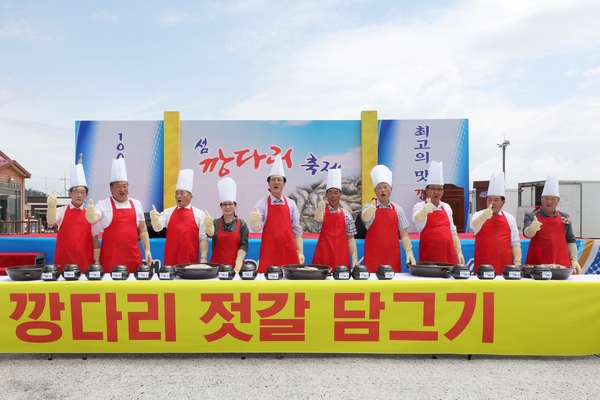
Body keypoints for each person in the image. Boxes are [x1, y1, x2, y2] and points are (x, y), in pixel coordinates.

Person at [85, 158, 152, 273]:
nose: (122, 189)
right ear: (111, 189)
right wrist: (91, 216)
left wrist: (147, 249)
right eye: (118, 186)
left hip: (133, 256)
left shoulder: (136, 204)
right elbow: (95, 217)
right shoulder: (103, 204)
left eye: (125, 186)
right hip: (111, 258)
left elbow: (142, 228)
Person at [249, 155, 303, 272]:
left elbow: (297, 230)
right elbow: (257, 229)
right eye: (273, 179)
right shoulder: (262, 204)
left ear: (284, 183)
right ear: (269, 184)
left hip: (289, 249)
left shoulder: (291, 204)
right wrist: (254, 222)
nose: (276, 182)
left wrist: (300, 251)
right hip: (269, 251)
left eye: (279, 179)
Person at [46, 158, 100, 272]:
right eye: (76, 191)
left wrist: (97, 259)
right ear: (69, 193)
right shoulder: (61, 211)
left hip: (85, 260)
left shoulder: (90, 214)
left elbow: (95, 238)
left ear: (86, 194)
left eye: (82, 192)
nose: (79, 195)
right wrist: (51, 208)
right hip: (64, 259)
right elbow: (51, 222)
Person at [361, 165, 415, 273]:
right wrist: (369, 213)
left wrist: (409, 252)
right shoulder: (368, 207)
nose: (382, 190)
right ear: (375, 191)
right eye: (379, 188)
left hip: (392, 255)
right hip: (373, 255)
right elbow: (365, 218)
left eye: (385, 187)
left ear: (390, 189)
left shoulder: (398, 209)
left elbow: (404, 234)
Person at [523, 174, 581, 273]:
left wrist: (574, 259)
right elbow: (526, 234)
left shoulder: (565, 217)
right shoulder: (531, 216)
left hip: (561, 264)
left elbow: (570, 239)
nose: (549, 201)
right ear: (541, 199)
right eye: (546, 198)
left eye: (553, 199)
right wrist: (532, 228)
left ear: (558, 200)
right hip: (538, 264)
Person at [149, 169, 208, 266]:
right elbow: (157, 228)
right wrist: (155, 220)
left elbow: (203, 238)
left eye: (182, 193)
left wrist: (204, 259)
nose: (178, 196)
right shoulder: (168, 212)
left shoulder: (199, 214)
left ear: (190, 196)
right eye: (176, 193)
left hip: (190, 259)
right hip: (171, 258)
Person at [412, 161, 464, 264]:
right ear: (426, 190)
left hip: (448, 253)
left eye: (440, 189)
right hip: (429, 252)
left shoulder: (447, 207)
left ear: (443, 191)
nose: (436, 192)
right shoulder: (420, 206)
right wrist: (424, 212)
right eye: (433, 189)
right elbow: (416, 219)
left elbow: (453, 232)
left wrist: (458, 250)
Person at [471, 172, 521, 274]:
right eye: (489, 199)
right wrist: (484, 217)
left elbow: (515, 243)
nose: (492, 203)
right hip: (484, 264)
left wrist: (517, 262)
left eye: (496, 200)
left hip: (505, 264)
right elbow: (474, 225)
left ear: (503, 202)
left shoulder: (509, 218)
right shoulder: (478, 215)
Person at [313, 168, 359, 268]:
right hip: (323, 258)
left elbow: (351, 238)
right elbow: (317, 222)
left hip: (341, 258)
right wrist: (319, 211)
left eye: (336, 192)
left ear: (340, 195)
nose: (333, 196)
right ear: (326, 195)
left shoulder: (346, 214)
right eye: (330, 192)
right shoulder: (322, 211)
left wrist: (355, 258)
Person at [204, 177, 249, 273]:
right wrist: (208, 226)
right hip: (216, 267)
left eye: (230, 204)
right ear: (221, 206)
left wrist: (238, 264)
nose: (227, 207)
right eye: (224, 204)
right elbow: (210, 234)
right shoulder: (215, 222)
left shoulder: (242, 224)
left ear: (235, 205)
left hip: (236, 267)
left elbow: (244, 245)